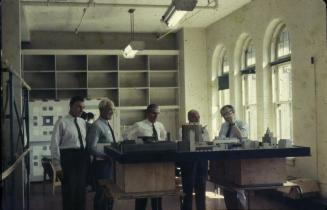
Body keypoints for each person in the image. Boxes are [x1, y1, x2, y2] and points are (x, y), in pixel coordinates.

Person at [124, 104, 167, 210]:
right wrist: (137, 145)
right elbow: (125, 136)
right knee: (142, 192)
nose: (156, 116)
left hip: (158, 162)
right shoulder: (139, 125)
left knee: (157, 192)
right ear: (147, 113)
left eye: (158, 114)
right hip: (143, 163)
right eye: (153, 113)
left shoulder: (160, 125)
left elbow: (164, 139)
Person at [50, 96, 88, 210]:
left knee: (81, 191)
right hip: (68, 159)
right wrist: (57, 166)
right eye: (78, 107)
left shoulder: (82, 122)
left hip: (82, 158)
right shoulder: (61, 122)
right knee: (69, 192)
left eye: (83, 107)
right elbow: (54, 144)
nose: (81, 110)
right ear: (71, 106)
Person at [86, 98, 116, 210]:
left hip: (109, 164)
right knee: (102, 194)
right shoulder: (97, 126)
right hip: (101, 165)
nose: (112, 112)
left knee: (110, 193)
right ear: (102, 110)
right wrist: (105, 156)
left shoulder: (107, 124)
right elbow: (90, 148)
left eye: (113, 110)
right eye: (109, 110)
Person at [218, 104, 248, 210]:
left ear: (233, 112)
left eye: (227, 113)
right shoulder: (224, 125)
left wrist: (234, 124)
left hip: (238, 156)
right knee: (227, 186)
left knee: (239, 186)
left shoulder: (241, 123)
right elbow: (221, 138)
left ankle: (242, 207)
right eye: (223, 114)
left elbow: (243, 138)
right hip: (226, 156)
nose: (226, 116)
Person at [179, 109, 210, 210]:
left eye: (198, 116)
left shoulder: (204, 130)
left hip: (202, 160)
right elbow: (183, 143)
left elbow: (207, 142)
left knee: (201, 187)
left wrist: (200, 133)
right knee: (187, 188)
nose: (197, 118)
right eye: (194, 116)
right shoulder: (182, 129)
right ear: (189, 118)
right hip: (188, 161)